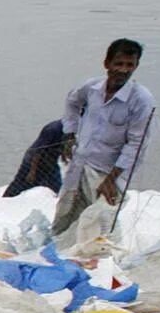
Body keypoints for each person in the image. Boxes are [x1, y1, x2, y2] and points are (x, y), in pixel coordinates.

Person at [53, 38, 154, 238]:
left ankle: (100, 265)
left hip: (108, 173)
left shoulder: (141, 100)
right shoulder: (92, 88)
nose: (124, 70)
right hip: (79, 165)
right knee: (65, 218)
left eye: (129, 65)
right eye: (119, 64)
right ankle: (59, 255)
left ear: (136, 66)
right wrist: (69, 134)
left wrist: (112, 179)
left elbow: (137, 144)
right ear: (107, 64)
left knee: (100, 227)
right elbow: (72, 101)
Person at [2, 120, 66, 198]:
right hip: (34, 160)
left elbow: (63, 145)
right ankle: (5, 200)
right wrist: (32, 172)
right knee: (22, 184)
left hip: (51, 161)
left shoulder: (73, 129)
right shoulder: (53, 129)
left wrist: (64, 157)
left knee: (56, 186)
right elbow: (38, 151)